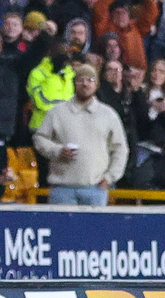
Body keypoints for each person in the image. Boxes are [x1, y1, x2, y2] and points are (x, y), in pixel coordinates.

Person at [33, 63, 129, 205]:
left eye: (90, 80)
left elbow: (120, 148)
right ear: (74, 83)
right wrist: (57, 151)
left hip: (96, 189)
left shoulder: (108, 114)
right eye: (80, 80)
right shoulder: (57, 112)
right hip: (62, 190)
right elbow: (39, 139)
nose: (85, 84)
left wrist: (110, 177)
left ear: (97, 85)